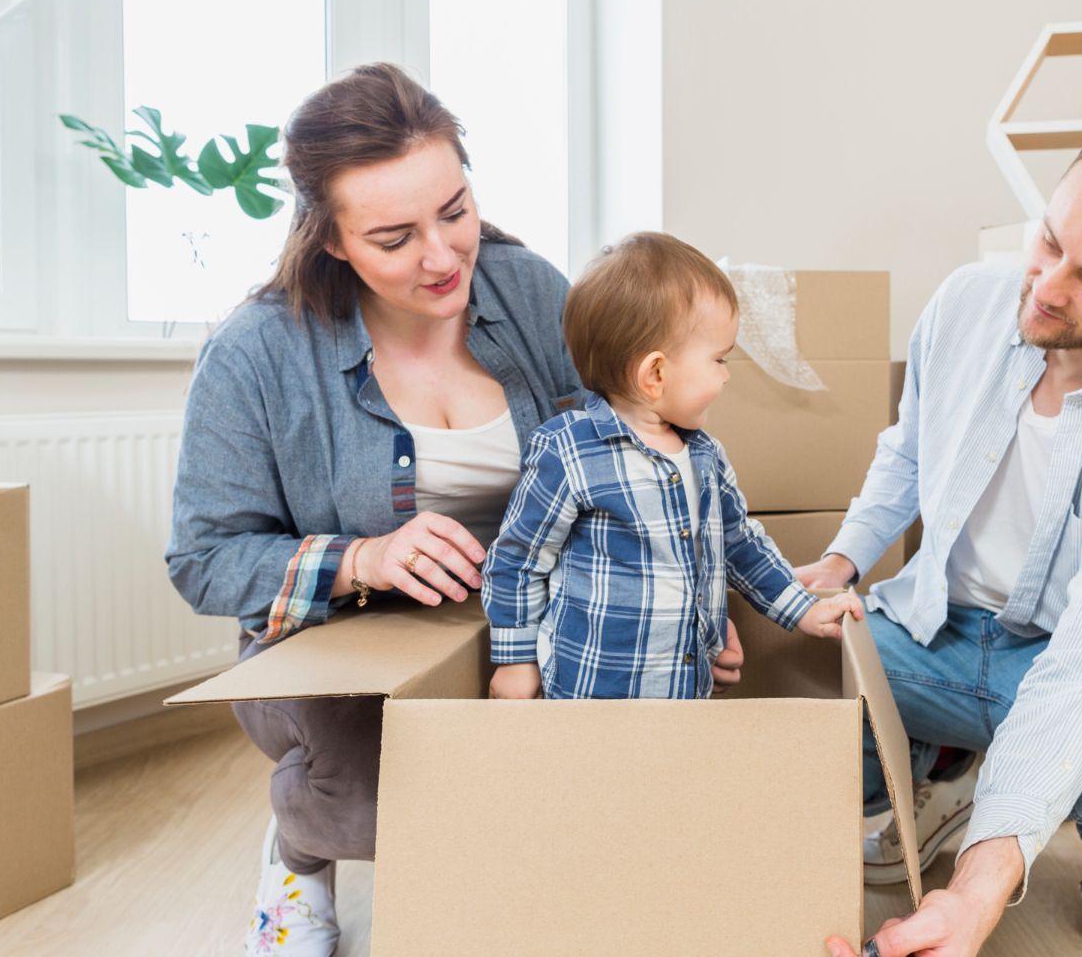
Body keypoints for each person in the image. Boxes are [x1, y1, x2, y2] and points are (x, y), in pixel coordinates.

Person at [166, 64, 746, 957]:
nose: (442, 257)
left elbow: (646, 441)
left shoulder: (534, 293)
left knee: (587, 788)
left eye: (455, 211)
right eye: (395, 238)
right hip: (338, 646)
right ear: (330, 241)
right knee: (370, 804)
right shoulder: (257, 353)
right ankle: (299, 850)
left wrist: (697, 600)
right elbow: (204, 559)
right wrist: (361, 559)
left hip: (525, 619)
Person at [801, 107, 1082, 957]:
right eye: (1049, 240)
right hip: (931, 630)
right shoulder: (967, 303)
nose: (1047, 287)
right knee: (769, 651)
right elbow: (908, 452)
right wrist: (836, 565)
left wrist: (973, 898)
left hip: (1078, 663)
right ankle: (946, 770)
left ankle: (1058, 830)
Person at [482, 232, 863, 700]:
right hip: (589, 697)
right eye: (719, 359)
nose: (726, 375)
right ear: (656, 373)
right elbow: (517, 560)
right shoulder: (568, 453)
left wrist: (802, 609)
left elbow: (741, 545)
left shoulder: (705, 456)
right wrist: (515, 659)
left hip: (685, 693)